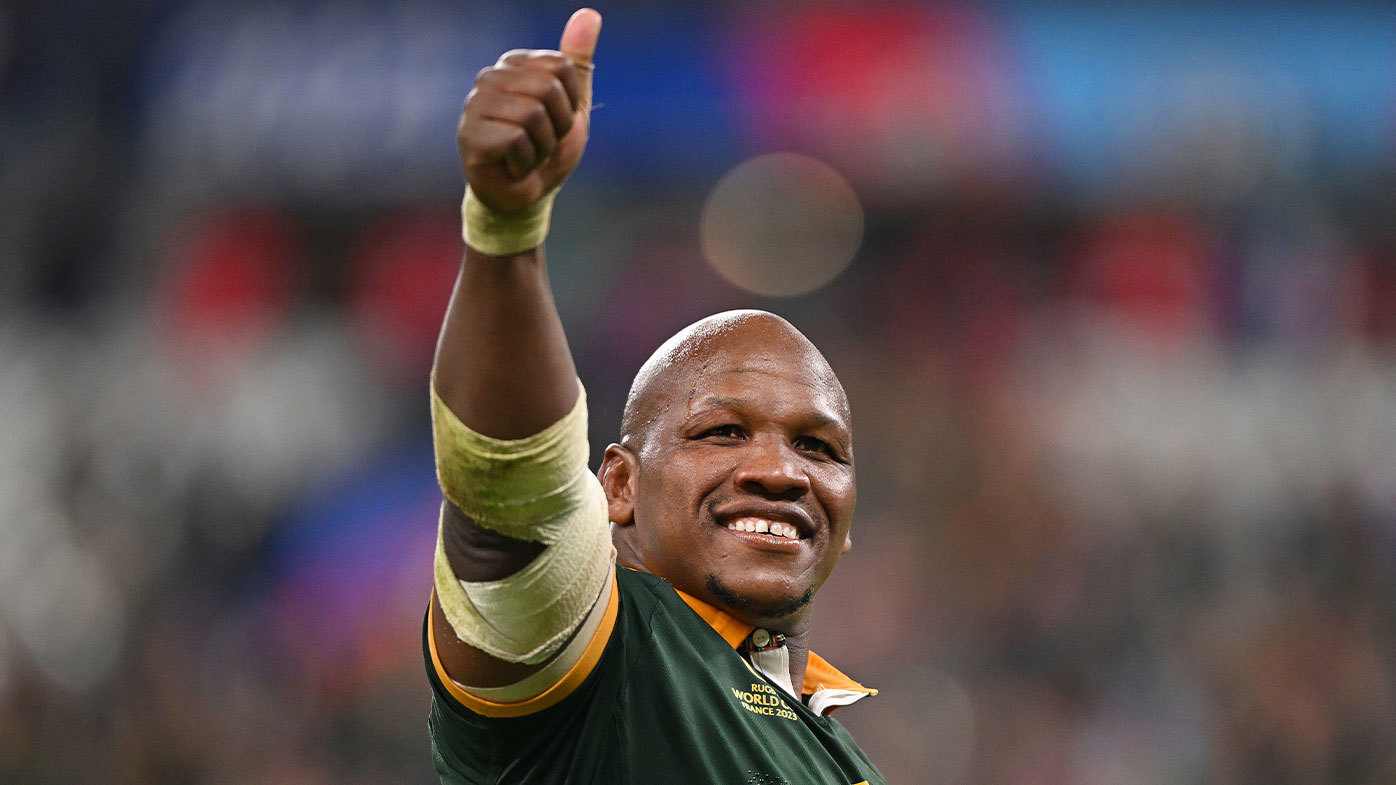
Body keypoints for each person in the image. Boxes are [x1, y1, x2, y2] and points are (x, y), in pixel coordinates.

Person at [425, 8, 885, 783]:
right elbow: (511, 488)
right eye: (722, 431)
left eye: (818, 446)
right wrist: (506, 230)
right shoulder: (597, 648)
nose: (781, 470)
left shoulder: (838, 747)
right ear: (619, 485)